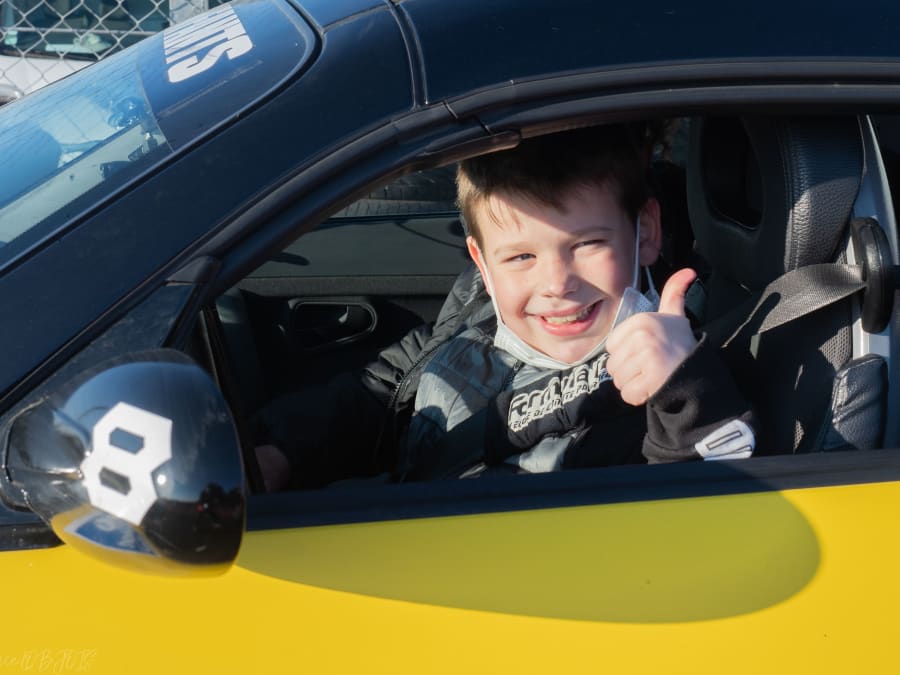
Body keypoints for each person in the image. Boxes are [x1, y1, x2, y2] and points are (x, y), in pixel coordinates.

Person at [255, 124, 755, 490]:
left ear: (645, 233)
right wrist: (281, 450)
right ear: (483, 263)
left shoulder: (670, 364)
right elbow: (386, 390)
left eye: (587, 244)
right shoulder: (480, 304)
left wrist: (683, 393)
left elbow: (696, 508)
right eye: (521, 256)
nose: (556, 284)